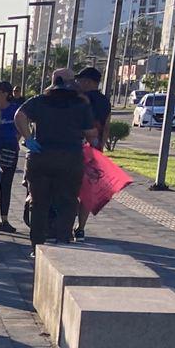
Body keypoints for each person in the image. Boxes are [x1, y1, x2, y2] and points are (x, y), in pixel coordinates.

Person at [16, 68, 97, 246]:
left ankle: (36, 244)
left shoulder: (39, 101)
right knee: (67, 203)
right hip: (70, 159)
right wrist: (94, 142)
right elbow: (91, 134)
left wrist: (29, 138)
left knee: (38, 204)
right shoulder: (80, 104)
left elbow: (19, 115)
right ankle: (62, 242)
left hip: (40, 157)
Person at [75, 66, 113, 240]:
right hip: (94, 151)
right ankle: (81, 228)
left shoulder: (81, 99)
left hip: (77, 148)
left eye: (80, 80)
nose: (77, 83)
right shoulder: (105, 101)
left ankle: (66, 224)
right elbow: (106, 127)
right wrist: (100, 148)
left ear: (88, 82)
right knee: (87, 192)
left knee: (70, 188)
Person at [0, 82, 23, 234]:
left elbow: (21, 126)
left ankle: (4, 220)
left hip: (10, 149)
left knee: (6, 185)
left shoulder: (14, 109)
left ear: (5, 93)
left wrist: (15, 140)